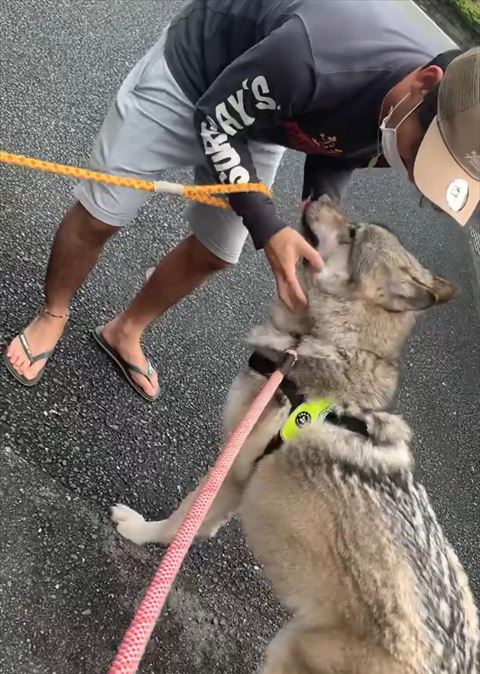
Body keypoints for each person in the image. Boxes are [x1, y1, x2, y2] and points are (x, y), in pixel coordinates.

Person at [4, 0, 479, 400]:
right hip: (198, 70)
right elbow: (215, 120)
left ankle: (124, 330)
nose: (416, 172)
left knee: (217, 251)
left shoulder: (405, 120)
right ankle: (54, 311)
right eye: (422, 153)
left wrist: (319, 230)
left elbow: (339, 149)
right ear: (424, 83)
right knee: (103, 212)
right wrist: (269, 228)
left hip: (273, 110)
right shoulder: (316, 58)